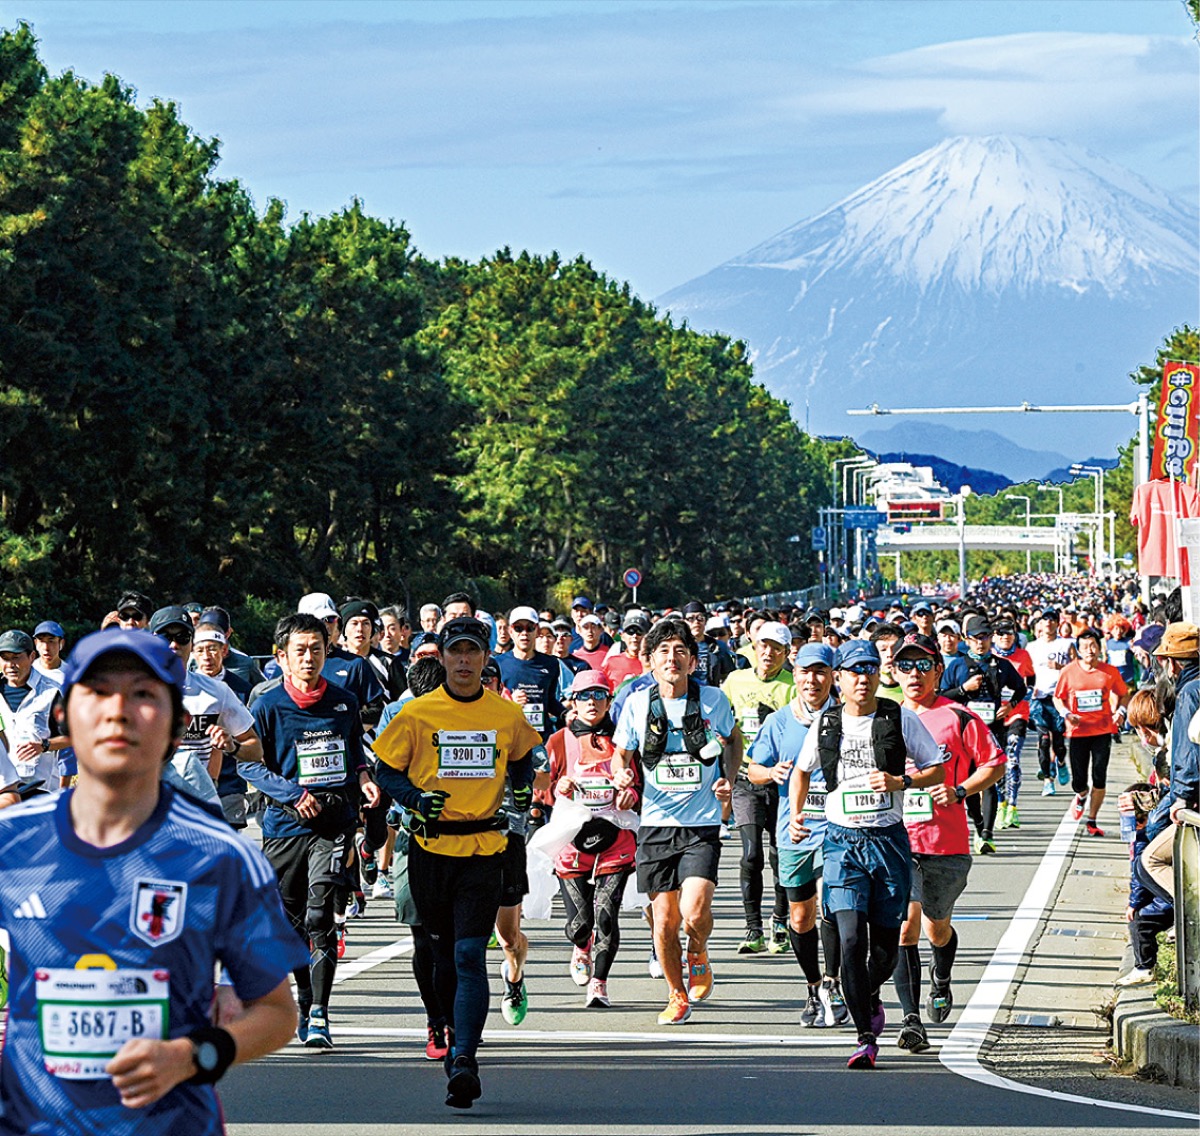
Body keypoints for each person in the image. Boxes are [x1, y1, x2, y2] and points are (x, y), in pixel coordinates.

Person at [0, 629, 302, 1135]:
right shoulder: (12, 843)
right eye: (97, 692)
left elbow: (275, 1013)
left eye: (143, 693)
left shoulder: (219, 858)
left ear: (178, 725)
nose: (118, 711)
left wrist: (191, 1056)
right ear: (63, 717)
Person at [371, 616, 540, 1109]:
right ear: (441, 658)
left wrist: (523, 782)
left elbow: (522, 755)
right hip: (429, 852)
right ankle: (446, 1029)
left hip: (484, 850)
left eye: (473, 651)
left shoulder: (505, 714)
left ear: (487, 659)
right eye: (455, 652)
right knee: (442, 956)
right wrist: (413, 797)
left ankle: (464, 1058)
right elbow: (386, 770)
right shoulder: (418, 713)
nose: (464, 660)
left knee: (470, 955)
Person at [789, 639, 945, 1070]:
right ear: (839, 678)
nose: (863, 678)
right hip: (842, 843)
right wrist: (796, 816)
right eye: (854, 671)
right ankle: (864, 1036)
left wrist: (902, 783)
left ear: (881, 674)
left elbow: (936, 767)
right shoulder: (826, 723)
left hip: (888, 840)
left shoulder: (900, 717)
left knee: (885, 948)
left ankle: (871, 993)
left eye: (871, 669)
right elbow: (801, 772)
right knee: (850, 938)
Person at [240, 613, 381, 1051]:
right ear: (281, 657)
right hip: (285, 826)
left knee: (322, 914)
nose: (308, 658)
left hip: (334, 823)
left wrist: (363, 779)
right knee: (294, 921)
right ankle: (304, 998)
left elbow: (354, 751)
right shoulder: (265, 706)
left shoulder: (342, 700)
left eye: (316, 649)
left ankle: (319, 1011)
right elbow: (248, 764)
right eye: (299, 650)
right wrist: (291, 793)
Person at [611, 618, 740, 1026]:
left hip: (701, 824)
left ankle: (698, 950)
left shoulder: (714, 700)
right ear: (650, 660)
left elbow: (734, 740)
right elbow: (621, 753)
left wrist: (729, 780)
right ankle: (676, 993)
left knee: (694, 912)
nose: (672, 658)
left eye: (680, 650)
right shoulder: (636, 703)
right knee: (664, 922)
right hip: (656, 823)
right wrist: (620, 773)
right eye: (664, 651)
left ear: (692, 659)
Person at [891, 633, 1005, 1052]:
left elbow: (994, 764)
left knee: (936, 927)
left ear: (939, 670)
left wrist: (959, 790)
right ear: (894, 672)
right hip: (898, 840)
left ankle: (942, 972)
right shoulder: (885, 718)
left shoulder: (958, 717)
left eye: (923, 665)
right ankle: (910, 1018)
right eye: (905, 666)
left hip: (946, 842)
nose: (914, 674)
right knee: (906, 925)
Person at [746, 642, 848, 1028]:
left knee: (831, 905)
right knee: (801, 917)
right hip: (795, 831)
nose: (812, 680)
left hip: (838, 830)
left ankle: (834, 983)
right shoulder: (778, 722)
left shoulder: (845, 718)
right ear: (796, 673)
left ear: (832, 676)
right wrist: (770, 774)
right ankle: (812, 986)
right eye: (805, 672)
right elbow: (753, 769)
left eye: (820, 671)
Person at [548, 670, 639, 1008]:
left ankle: (599, 984)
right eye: (585, 696)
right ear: (573, 701)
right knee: (580, 924)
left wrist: (630, 793)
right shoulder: (559, 740)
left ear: (609, 701)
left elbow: (639, 784)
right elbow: (542, 786)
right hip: (572, 840)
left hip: (616, 838)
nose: (591, 702)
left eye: (599, 695)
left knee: (605, 916)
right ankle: (581, 945)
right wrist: (557, 789)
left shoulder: (624, 740)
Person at [721, 621, 794, 954]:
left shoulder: (792, 686)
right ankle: (753, 929)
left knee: (781, 856)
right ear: (753, 647)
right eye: (763, 646)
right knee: (751, 854)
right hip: (746, 779)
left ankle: (780, 920)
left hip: (782, 780)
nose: (768, 653)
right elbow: (718, 721)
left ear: (785, 653)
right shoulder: (735, 681)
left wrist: (776, 718)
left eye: (776, 649)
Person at [941, 614, 1026, 854]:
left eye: (986, 637)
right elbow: (942, 696)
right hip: (963, 734)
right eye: (976, 638)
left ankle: (987, 835)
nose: (982, 643)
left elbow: (1021, 688)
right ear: (966, 640)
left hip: (992, 731)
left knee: (988, 782)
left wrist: (1010, 706)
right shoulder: (957, 666)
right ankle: (979, 827)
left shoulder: (1001, 665)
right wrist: (963, 689)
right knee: (968, 786)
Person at [1053, 627, 1128, 836]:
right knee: (1079, 780)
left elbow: (1124, 694)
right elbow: (1057, 698)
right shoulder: (1068, 671)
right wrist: (1066, 713)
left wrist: (1120, 711)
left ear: (1099, 648)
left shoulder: (1109, 671)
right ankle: (1081, 795)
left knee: (1100, 776)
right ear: (1078, 650)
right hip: (1077, 732)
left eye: (1094, 645)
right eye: (1085, 646)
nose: (1090, 650)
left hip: (1103, 730)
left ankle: (1092, 820)